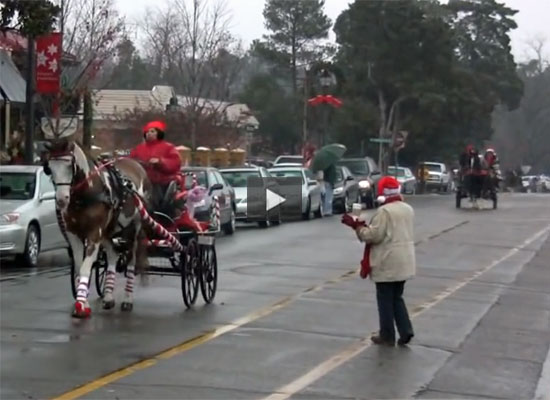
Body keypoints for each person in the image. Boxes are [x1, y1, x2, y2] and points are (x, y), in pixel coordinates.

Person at [342, 176, 415, 346]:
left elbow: (373, 236)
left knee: (385, 300)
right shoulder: (407, 209)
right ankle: (406, 330)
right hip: (404, 260)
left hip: (386, 261)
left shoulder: (385, 212)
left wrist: (357, 226)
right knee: (397, 297)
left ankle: (387, 334)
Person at [129, 121, 182, 210]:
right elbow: (130, 160)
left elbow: (175, 163)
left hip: (160, 183)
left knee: (154, 195)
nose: (149, 133)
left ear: (159, 133)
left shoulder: (168, 147)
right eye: (147, 132)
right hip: (141, 182)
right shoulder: (139, 148)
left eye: (152, 131)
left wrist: (160, 162)